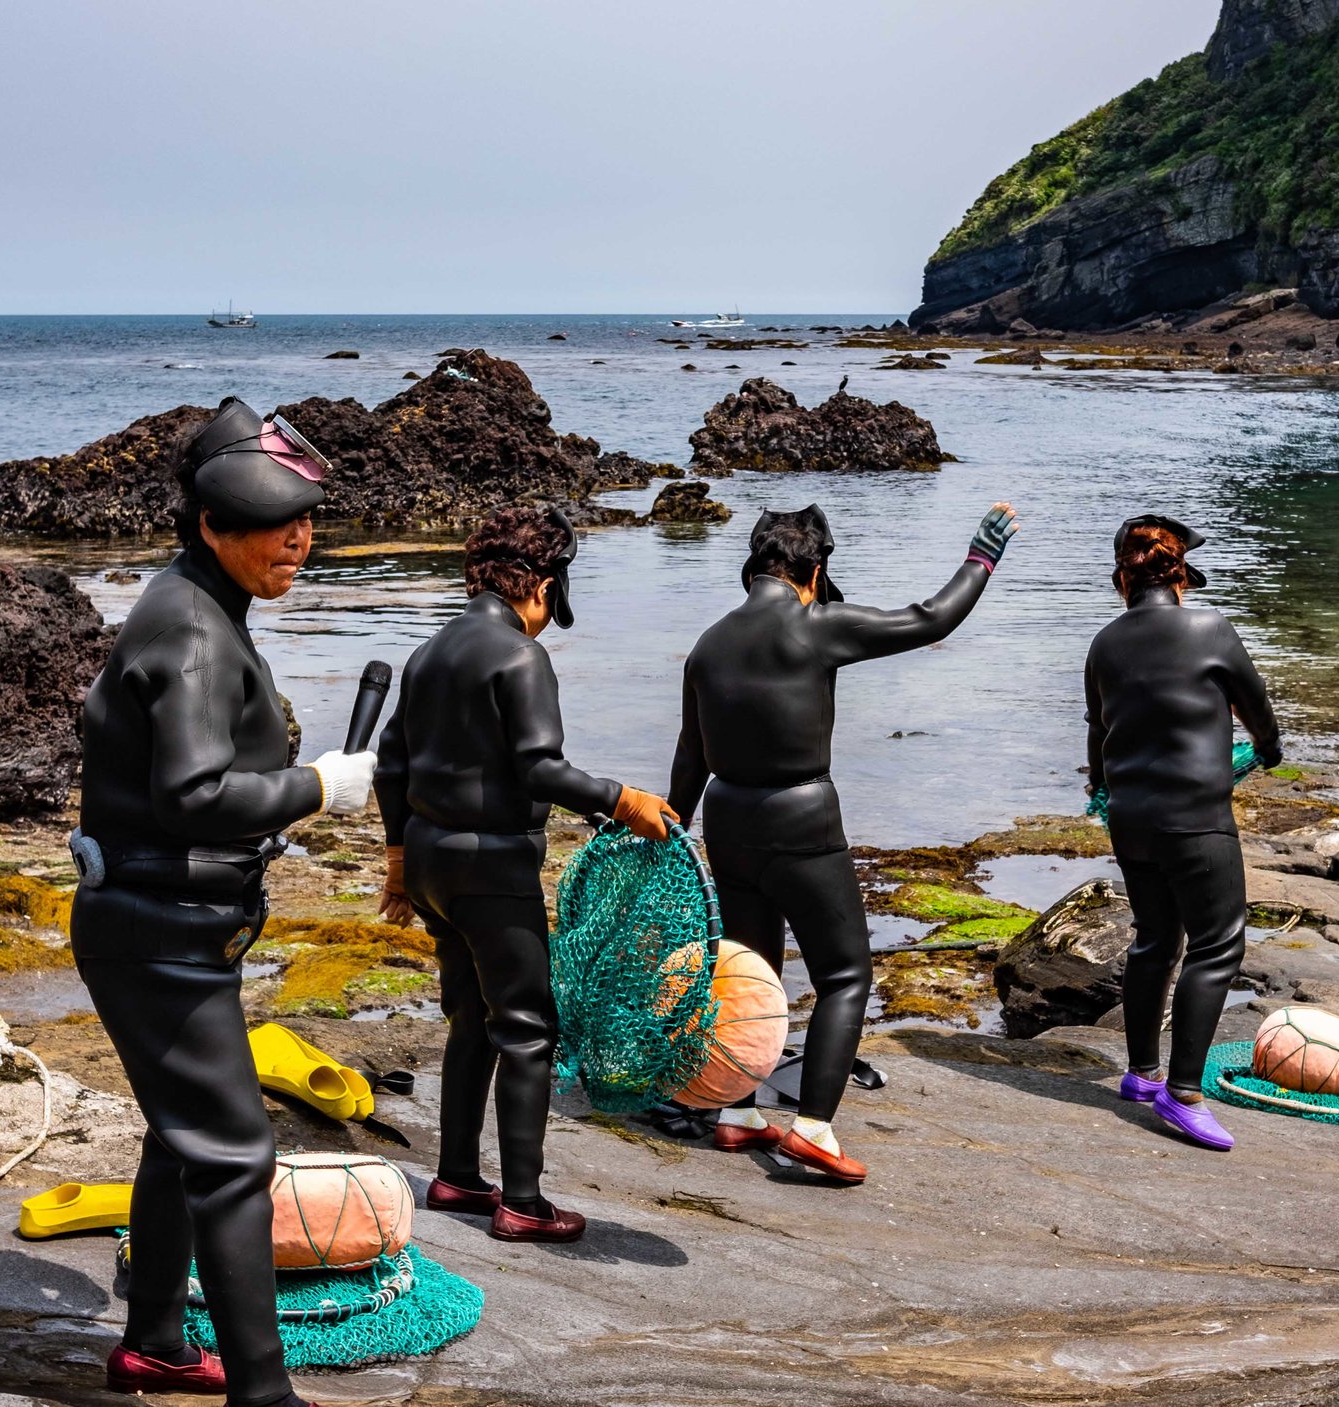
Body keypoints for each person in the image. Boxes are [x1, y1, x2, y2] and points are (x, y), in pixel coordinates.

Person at [68, 400, 367, 1407]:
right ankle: (264, 1394)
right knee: (236, 1156)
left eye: (305, 520)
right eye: (274, 524)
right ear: (210, 523)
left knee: (184, 1134)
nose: (298, 541)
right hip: (154, 936)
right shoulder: (192, 627)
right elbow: (192, 797)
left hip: (176, 928)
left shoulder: (198, 599)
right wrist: (320, 786)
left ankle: (154, 1343)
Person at [666, 502, 1019, 1184]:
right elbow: (930, 619)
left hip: (728, 823)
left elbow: (690, 756)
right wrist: (981, 558)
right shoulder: (818, 624)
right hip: (802, 823)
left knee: (750, 974)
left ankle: (737, 1110)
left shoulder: (708, 644)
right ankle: (813, 1130)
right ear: (813, 571)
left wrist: (670, 831)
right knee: (845, 976)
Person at [373, 503, 677, 1243]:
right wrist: (623, 799)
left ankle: (455, 1175)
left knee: (470, 1018)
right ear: (541, 585)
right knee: (527, 1027)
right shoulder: (520, 656)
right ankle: (523, 1202)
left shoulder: (429, 652)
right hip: (491, 867)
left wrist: (398, 861)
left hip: (432, 862)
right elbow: (539, 768)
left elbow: (390, 763)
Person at [1084, 515, 1281, 1153]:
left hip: (1130, 819)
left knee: (1155, 939)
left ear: (1123, 578)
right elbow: (1257, 709)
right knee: (1218, 946)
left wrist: (1101, 793)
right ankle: (1184, 1093)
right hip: (1195, 818)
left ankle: (1142, 1073)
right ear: (1182, 579)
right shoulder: (1210, 628)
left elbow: (1098, 733)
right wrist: (1269, 750)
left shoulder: (1103, 644)